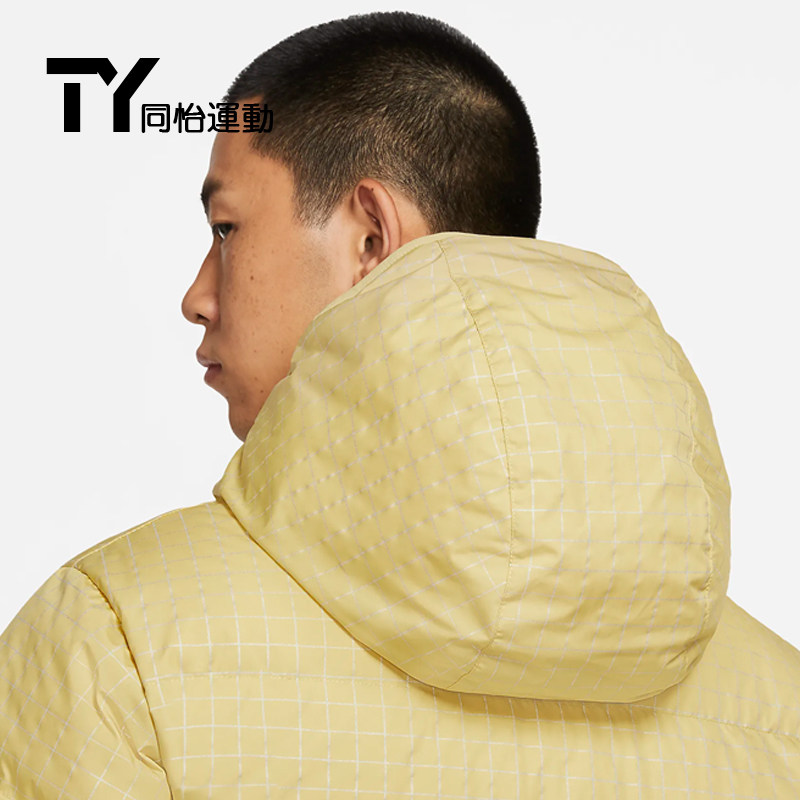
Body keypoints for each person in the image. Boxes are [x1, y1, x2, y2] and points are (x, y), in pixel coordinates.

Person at [1, 10, 798, 798]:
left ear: (371, 240)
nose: (197, 296)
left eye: (226, 228)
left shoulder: (114, 651)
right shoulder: (779, 709)